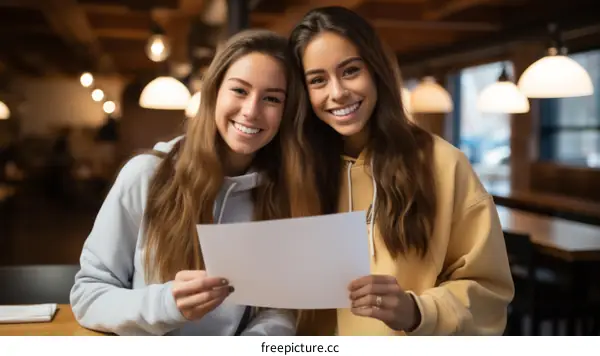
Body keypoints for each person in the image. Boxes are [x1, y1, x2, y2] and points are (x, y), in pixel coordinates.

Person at [287, 6, 515, 336]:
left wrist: (416, 311)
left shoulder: (442, 164)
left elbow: (488, 294)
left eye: (350, 71)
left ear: (376, 70)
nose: (337, 93)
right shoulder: (293, 170)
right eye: (318, 80)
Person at [70, 29, 303, 336]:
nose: (251, 111)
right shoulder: (145, 175)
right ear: (214, 93)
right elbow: (88, 296)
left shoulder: (282, 195)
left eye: (272, 98)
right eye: (239, 91)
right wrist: (166, 305)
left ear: (286, 112)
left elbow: (278, 308)